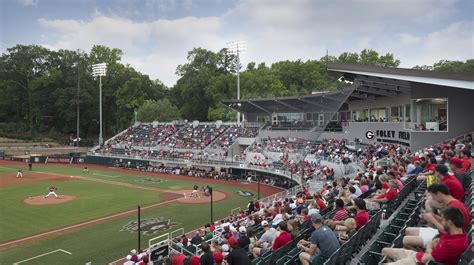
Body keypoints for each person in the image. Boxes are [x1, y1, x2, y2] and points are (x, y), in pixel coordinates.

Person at [382, 207, 468, 265]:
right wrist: (431, 247)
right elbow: (433, 245)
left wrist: (429, 247)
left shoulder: (453, 244)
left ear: (450, 223)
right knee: (384, 251)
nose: (441, 222)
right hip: (418, 256)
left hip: (418, 262)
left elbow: (426, 259)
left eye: (443, 220)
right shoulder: (454, 233)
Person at [403, 183, 470, 250]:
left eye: (433, 196)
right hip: (444, 234)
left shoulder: (453, 207)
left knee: (405, 240)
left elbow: (447, 231)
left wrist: (432, 220)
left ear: (439, 194)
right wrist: (434, 216)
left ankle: (421, 257)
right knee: (407, 230)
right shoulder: (454, 203)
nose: (433, 199)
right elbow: (448, 223)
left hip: (446, 238)